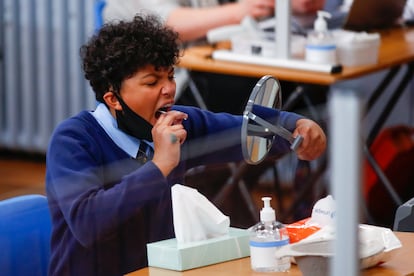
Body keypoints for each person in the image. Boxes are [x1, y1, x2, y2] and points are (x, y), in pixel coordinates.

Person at [46, 14, 326, 275]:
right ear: (113, 100)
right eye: (152, 82)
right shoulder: (73, 140)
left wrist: (295, 125)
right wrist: (159, 166)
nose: (169, 88)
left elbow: (248, 129)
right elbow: (88, 224)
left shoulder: (180, 124)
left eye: (169, 76)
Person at [103, 0, 327, 115]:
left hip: (212, 70)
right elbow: (169, 24)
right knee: (265, 86)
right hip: (171, 89)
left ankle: (313, 192)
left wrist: (291, 6)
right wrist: (240, 12)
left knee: (314, 86)